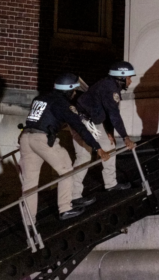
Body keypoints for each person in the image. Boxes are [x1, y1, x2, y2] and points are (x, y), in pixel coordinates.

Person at [19, 73, 110, 223]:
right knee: (66, 170)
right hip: (42, 139)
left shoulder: (40, 98)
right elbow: (80, 127)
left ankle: (29, 221)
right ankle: (65, 208)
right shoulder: (62, 103)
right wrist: (97, 148)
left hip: (25, 138)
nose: (75, 94)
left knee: (30, 183)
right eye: (74, 91)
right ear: (68, 90)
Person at [70, 61, 136, 196]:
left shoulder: (108, 84)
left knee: (93, 153)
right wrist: (125, 137)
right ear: (121, 77)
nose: (130, 81)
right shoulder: (110, 88)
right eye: (129, 77)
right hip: (85, 120)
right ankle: (77, 194)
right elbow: (114, 115)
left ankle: (77, 194)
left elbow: (106, 112)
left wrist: (108, 132)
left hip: (85, 119)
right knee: (93, 153)